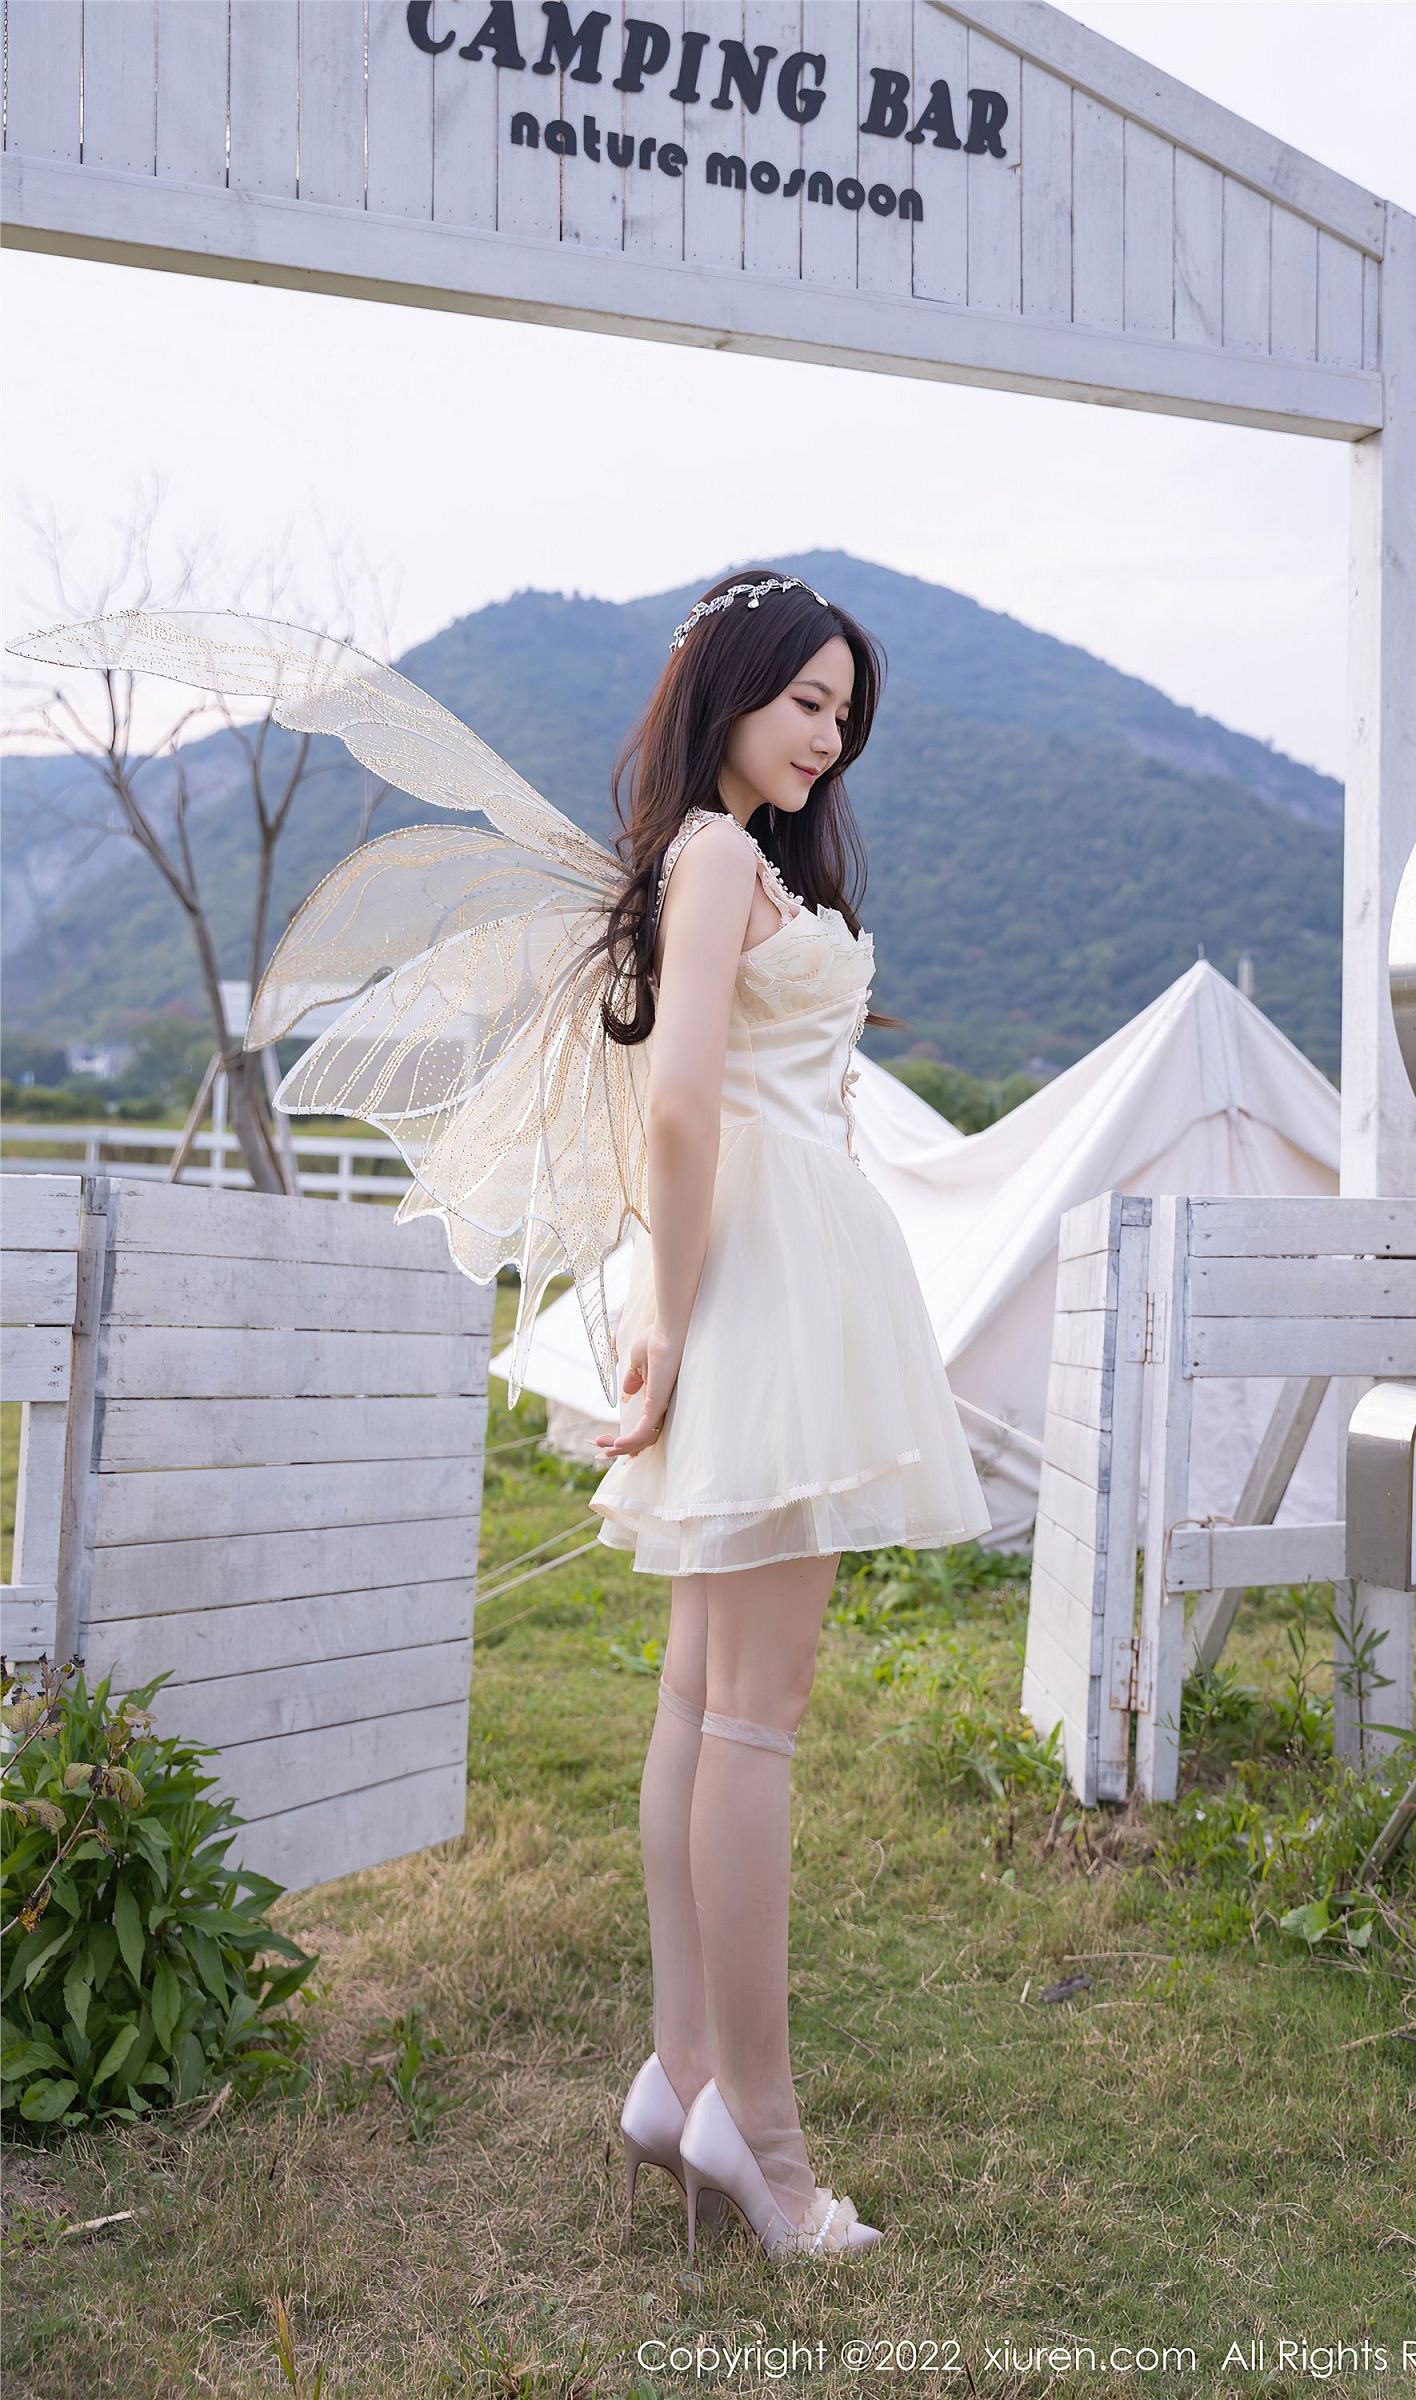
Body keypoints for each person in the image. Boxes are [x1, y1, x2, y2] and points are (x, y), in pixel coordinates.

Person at [6, 568, 992, 2261]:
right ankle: (760, 2136)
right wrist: (667, 1315)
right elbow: (678, 1103)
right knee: (752, 1717)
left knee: (704, 1699)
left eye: (846, 713)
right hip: (762, 1280)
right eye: (806, 701)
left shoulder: (719, 856)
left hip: (767, 1270)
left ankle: (687, 2076)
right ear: (729, 689)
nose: (831, 737)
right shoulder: (714, 859)